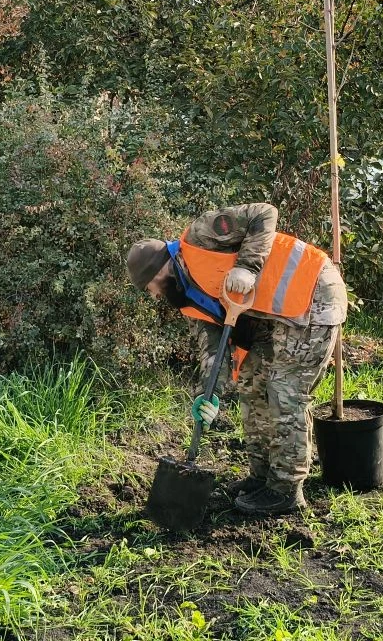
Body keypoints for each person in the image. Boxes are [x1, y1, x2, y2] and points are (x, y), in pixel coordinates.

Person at [127, 203, 347, 515]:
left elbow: (264, 213)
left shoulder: (202, 234)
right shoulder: (189, 300)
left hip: (313, 294)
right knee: (251, 383)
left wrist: (247, 267)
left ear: (160, 268)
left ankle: (286, 489)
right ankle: (261, 475)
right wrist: (209, 393)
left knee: (285, 392)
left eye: (150, 286)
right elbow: (213, 350)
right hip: (271, 318)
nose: (154, 295)